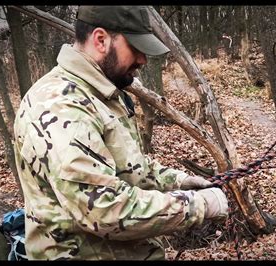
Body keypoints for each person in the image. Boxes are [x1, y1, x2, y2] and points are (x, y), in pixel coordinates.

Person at [13, 6, 229, 260]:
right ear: (101, 40)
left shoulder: (100, 92)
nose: (143, 60)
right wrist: (198, 204)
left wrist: (177, 181)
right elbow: (105, 209)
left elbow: (127, 165)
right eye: (136, 48)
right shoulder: (61, 107)